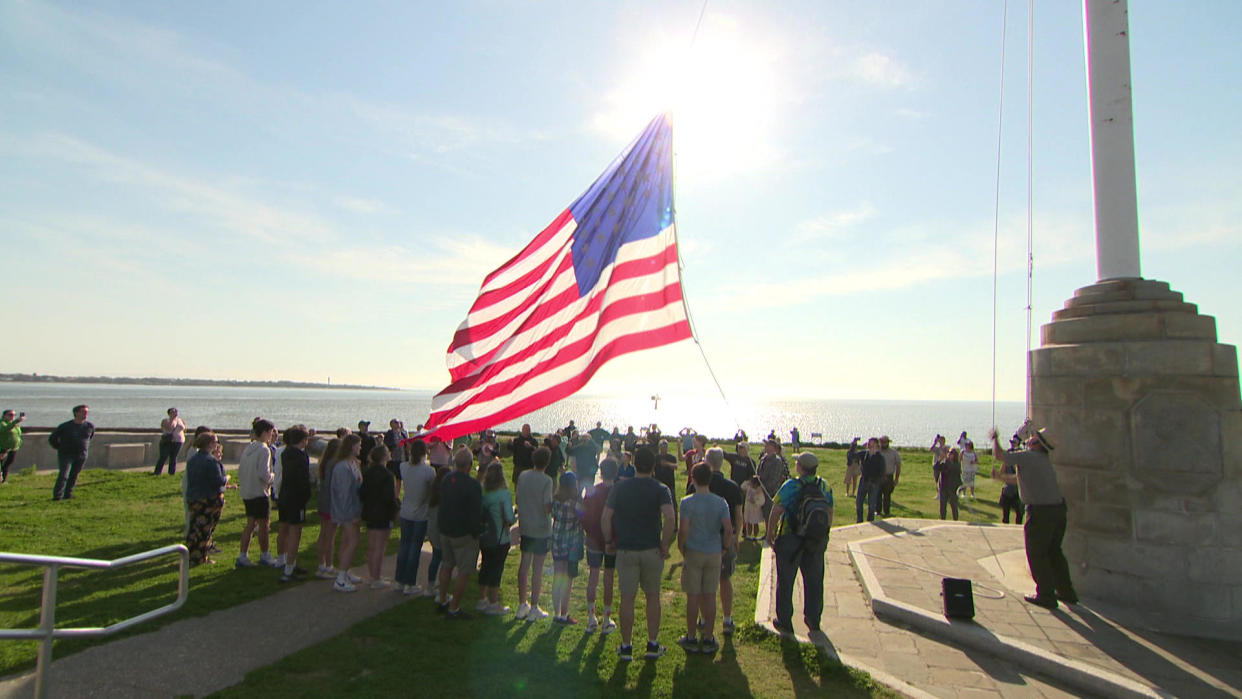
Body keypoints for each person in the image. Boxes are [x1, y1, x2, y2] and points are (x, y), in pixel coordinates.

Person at [989, 426, 1078, 609]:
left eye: (1034, 438)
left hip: (1041, 513)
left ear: (1038, 444)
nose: (1029, 439)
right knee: (1054, 552)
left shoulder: (1029, 457)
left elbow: (1000, 456)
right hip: (1058, 510)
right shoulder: (1041, 460)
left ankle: (1045, 594)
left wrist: (995, 438)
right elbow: (1021, 479)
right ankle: (1066, 591)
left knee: (1037, 554)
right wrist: (1000, 477)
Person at [601, 446, 675, 662]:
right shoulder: (661, 489)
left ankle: (626, 646)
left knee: (627, 598)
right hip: (652, 549)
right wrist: (665, 544)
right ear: (653, 466)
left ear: (634, 464)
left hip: (626, 550)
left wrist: (608, 541)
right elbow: (670, 518)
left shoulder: (619, 488)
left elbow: (606, 518)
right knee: (653, 597)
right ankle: (652, 644)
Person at [767, 452, 834, 634]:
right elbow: (829, 512)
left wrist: (770, 534)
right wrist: (824, 534)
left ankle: (784, 620)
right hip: (815, 540)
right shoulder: (825, 486)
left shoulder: (791, 486)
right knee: (814, 581)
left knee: (786, 581)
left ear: (800, 468)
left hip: (791, 538)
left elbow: (776, 511)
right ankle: (813, 619)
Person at [685, 448, 742, 637]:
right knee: (725, 579)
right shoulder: (733, 487)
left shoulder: (696, 486)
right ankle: (727, 618)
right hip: (725, 538)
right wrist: (736, 537)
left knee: (701, 584)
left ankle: (702, 618)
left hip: (700, 541)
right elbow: (738, 516)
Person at [677, 463, 733, 655]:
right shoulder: (721, 502)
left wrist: (681, 546)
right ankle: (709, 638)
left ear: (693, 478)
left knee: (693, 595)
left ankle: (691, 637)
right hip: (714, 552)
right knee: (710, 595)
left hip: (694, 550)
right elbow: (728, 529)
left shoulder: (687, 502)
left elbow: (683, 529)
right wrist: (725, 547)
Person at [437, 447, 483, 618]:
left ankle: (442, 599)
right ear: (470, 465)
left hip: (445, 529)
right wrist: (476, 532)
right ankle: (454, 607)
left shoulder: (446, 479)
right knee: (464, 570)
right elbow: (475, 512)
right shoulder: (473, 485)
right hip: (463, 533)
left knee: (447, 565)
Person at [514, 446, 554, 621]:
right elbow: (547, 507)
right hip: (541, 528)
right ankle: (535, 606)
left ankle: (522, 604)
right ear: (547, 463)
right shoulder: (547, 481)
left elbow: (517, 497)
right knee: (537, 568)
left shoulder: (523, 476)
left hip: (526, 525)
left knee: (524, 565)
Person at [582, 457, 619, 634]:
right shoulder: (619, 492)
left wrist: (589, 532)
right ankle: (606, 618)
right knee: (609, 579)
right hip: (612, 541)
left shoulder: (592, 491)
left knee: (593, 576)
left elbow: (584, 515)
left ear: (601, 472)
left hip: (593, 539)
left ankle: (591, 617)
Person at [236, 419, 278, 568]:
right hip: (260, 493)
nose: (272, 436)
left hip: (247, 491)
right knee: (264, 525)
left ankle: (243, 555)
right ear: (266, 432)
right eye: (271, 433)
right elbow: (264, 474)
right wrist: (274, 477)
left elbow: (241, 470)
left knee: (250, 524)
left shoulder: (249, 448)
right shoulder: (264, 449)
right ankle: (265, 554)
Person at [396, 438, 436, 596]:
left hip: (406, 511)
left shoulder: (403, 467)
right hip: (420, 513)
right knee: (414, 547)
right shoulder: (428, 471)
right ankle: (410, 582)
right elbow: (432, 490)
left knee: (404, 546)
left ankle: (399, 580)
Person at [477, 460, 516, 615]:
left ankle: (482, 599)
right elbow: (509, 518)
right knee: (496, 570)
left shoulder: (483, 492)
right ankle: (493, 603)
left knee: (485, 566)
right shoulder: (504, 494)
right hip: (500, 537)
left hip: (485, 536)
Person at [185, 432, 229, 565]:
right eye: (215, 442)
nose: (217, 445)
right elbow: (218, 481)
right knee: (205, 529)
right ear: (209, 444)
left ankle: (190, 554)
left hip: (194, 498)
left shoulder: (193, 460)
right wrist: (226, 479)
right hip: (209, 500)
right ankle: (201, 556)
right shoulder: (211, 461)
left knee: (194, 528)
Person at [329, 434, 365, 592]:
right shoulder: (342, 467)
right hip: (347, 510)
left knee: (346, 540)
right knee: (353, 541)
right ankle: (341, 578)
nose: (360, 448)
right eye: (358, 445)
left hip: (354, 508)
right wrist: (351, 514)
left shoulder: (353, 463)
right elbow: (343, 494)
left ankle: (346, 570)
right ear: (351, 446)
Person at [276, 426, 312, 582]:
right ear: (304, 440)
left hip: (284, 495)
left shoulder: (286, 453)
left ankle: (282, 560)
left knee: (283, 527)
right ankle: (289, 569)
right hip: (296, 499)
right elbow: (303, 480)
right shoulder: (301, 457)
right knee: (295, 532)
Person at [360, 445, 398, 589]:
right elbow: (389, 497)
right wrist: (395, 509)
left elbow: (362, 492)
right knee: (379, 547)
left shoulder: (368, 472)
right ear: (384, 456)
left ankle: (372, 575)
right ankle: (376, 577)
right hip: (383, 514)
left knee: (372, 545)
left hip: (370, 512)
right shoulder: (387, 475)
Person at [550, 471, 584, 624]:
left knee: (558, 577)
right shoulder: (576, 502)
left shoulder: (556, 500)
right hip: (571, 544)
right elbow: (582, 518)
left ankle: (556, 612)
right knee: (568, 579)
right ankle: (564, 613)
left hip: (557, 540)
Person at [48, 404, 94, 501]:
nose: (85, 414)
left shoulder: (89, 426)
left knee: (74, 475)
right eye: (83, 412)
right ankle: (57, 496)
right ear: (76, 413)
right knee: (64, 475)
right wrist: (59, 447)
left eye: (87, 412)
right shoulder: (65, 426)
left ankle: (68, 494)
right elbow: (52, 438)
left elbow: (89, 438)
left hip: (81, 455)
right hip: (66, 454)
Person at [315, 437, 344, 579]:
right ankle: (328, 565)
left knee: (324, 534)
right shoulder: (336, 464)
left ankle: (322, 564)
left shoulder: (325, 462)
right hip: (331, 503)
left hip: (323, 501)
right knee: (330, 536)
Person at [756, 439, 788, 522]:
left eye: (768, 445)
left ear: (773, 448)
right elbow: (758, 472)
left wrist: (764, 488)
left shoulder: (777, 461)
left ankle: (770, 533)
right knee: (764, 513)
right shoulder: (763, 459)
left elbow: (775, 478)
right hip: (761, 490)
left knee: (770, 513)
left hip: (771, 492)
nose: (765, 447)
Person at [856, 437, 885, 523]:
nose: (870, 446)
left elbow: (881, 472)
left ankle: (870, 520)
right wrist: (854, 444)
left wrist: (875, 481)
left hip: (874, 483)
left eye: (872, 444)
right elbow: (852, 455)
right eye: (869, 444)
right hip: (864, 480)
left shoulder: (880, 457)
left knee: (872, 504)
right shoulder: (864, 454)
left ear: (876, 445)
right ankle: (859, 520)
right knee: (859, 502)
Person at [153, 407, 187, 476]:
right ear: (169, 413)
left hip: (178, 441)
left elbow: (184, 428)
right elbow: (169, 428)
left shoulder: (180, 420)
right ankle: (157, 472)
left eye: (175, 411)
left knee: (173, 457)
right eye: (172, 412)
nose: (175, 413)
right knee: (163, 456)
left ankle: (171, 473)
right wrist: (172, 419)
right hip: (168, 441)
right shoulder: (166, 420)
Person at [933, 448, 962, 521]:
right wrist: (939, 460)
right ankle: (942, 518)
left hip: (953, 488)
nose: (949, 455)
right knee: (943, 505)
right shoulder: (945, 463)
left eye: (951, 453)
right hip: (944, 487)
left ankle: (955, 519)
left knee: (954, 505)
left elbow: (951, 468)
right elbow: (935, 467)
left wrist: (946, 459)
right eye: (949, 453)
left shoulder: (957, 464)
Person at [878, 435, 902, 517]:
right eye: (882, 442)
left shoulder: (894, 453)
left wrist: (896, 479)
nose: (883, 444)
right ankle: (878, 511)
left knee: (887, 495)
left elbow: (898, 465)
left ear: (888, 443)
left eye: (885, 442)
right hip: (878, 476)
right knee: (878, 494)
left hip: (889, 476)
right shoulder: (877, 452)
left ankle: (887, 512)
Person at [0, 409, 26, 483]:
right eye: (10, 415)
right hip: (4, 448)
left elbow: (18, 434)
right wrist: (16, 421)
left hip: (13, 448)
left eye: (14, 415)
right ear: (4, 416)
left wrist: (19, 443)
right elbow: (5, 429)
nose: (13, 416)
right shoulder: (2, 423)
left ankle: (3, 480)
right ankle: (2, 480)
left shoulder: (14, 424)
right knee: (2, 465)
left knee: (7, 464)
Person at [998, 460, 1024, 524]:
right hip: (1008, 491)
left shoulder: (1023, 463)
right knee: (1006, 516)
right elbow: (1001, 474)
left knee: (1020, 514)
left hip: (1019, 492)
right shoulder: (1007, 463)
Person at [742, 475, 765, 540]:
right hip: (748, 508)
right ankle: (748, 535)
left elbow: (762, 501)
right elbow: (742, 486)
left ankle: (755, 536)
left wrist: (755, 502)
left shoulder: (759, 491)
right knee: (748, 522)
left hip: (755, 510)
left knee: (755, 523)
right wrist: (748, 482)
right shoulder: (749, 487)